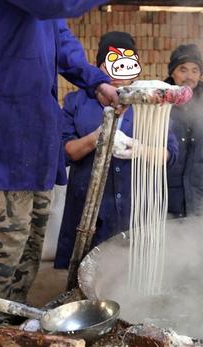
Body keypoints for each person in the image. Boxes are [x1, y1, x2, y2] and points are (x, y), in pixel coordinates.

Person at [0, 0, 148, 324]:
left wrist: (97, 82)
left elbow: (60, 39)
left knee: (24, 263)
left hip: (30, 147)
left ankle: (10, 332)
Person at [54, 32, 178, 269]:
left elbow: (169, 154)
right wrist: (97, 138)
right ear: (97, 67)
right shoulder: (77, 102)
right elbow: (66, 152)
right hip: (88, 209)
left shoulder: (149, 104)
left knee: (132, 271)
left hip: (134, 206)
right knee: (84, 273)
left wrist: (139, 149)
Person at [163, 44, 203, 218]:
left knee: (197, 241)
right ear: (172, 72)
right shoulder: (160, 100)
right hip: (166, 195)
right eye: (183, 70)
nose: (189, 76)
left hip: (202, 193)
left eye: (194, 70)